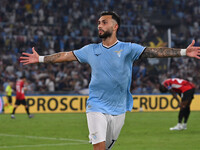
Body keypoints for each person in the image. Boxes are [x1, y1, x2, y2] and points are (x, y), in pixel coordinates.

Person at [20, 11, 200, 150]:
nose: (99, 25)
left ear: (115, 27)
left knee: (106, 147)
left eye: (104, 22)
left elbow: (154, 52)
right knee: (98, 146)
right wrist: (41, 58)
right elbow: (66, 55)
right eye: (98, 22)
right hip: (96, 104)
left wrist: (184, 52)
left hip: (120, 107)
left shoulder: (128, 48)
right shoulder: (90, 49)